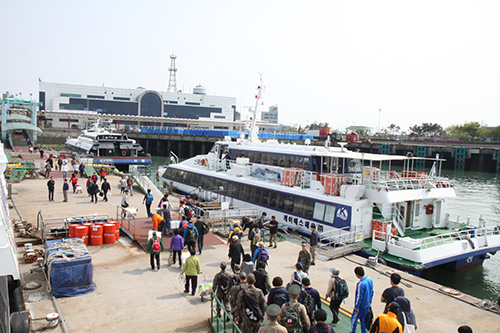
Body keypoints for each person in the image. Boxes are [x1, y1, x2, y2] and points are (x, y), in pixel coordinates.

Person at [350, 266, 374, 333]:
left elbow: (359, 297)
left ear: (357, 275)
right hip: (367, 304)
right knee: (363, 319)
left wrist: (357, 306)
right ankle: (364, 331)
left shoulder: (361, 284)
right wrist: (370, 300)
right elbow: (372, 291)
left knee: (354, 319)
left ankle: (352, 331)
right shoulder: (369, 280)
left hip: (361, 306)